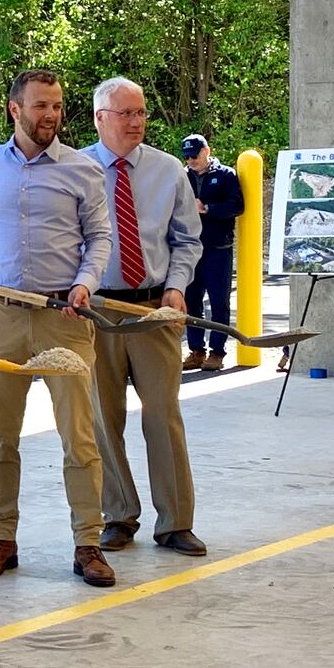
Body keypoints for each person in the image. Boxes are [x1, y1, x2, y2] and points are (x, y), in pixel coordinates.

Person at [0, 69, 117, 589]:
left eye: (56, 106)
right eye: (40, 106)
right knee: (0, 437)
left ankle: (87, 544)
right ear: (15, 109)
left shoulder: (82, 170)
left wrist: (85, 284)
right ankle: (2, 539)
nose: (50, 115)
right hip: (2, 315)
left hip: (64, 320)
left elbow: (99, 239)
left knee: (79, 437)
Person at [82, 78, 207, 558]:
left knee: (164, 414)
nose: (136, 122)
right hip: (96, 312)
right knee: (101, 418)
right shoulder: (76, 169)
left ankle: (175, 522)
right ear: (99, 118)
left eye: (141, 113)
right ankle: (117, 515)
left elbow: (187, 240)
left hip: (154, 309)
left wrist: (175, 288)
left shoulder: (168, 169)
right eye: (125, 114)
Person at [180, 134, 245, 371]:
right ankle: (196, 350)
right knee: (191, 301)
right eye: (186, 156)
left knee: (219, 302)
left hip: (218, 248)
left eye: (194, 155)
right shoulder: (182, 176)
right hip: (188, 248)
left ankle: (217, 352)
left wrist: (207, 208)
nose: (190, 160)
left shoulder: (226, 175)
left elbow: (237, 205)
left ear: (206, 151)